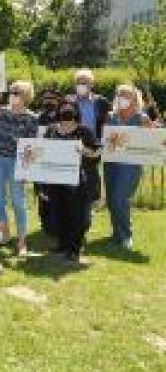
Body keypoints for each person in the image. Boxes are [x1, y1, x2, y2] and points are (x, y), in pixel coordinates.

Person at [44, 101, 100, 263]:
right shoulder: (51, 130)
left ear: (76, 115)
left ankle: (74, 248)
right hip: (55, 181)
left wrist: (85, 151)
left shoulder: (85, 131)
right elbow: (42, 153)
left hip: (79, 182)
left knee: (78, 217)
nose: (67, 118)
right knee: (58, 215)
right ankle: (63, 244)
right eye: (63, 114)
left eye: (70, 115)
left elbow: (96, 154)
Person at [0, 80, 38, 256]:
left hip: (18, 164)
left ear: (25, 96)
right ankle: (4, 234)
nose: (12, 95)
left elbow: (31, 147)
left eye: (16, 92)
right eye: (11, 91)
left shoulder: (32, 118)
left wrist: (27, 171)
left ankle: (22, 241)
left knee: (18, 202)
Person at [104, 85, 153, 250]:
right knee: (112, 200)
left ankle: (126, 236)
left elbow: (153, 141)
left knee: (119, 198)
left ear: (135, 99)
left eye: (126, 95)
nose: (122, 98)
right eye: (119, 95)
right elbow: (106, 139)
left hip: (131, 166)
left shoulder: (142, 118)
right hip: (111, 164)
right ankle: (116, 234)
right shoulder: (111, 116)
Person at [69, 69, 110, 214]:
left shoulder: (101, 102)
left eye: (84, 82)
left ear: (91, 84)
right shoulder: (68, 101)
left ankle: (90, 205)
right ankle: (77, 206)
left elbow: (108, 121)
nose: (81, 85)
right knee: (74, 176)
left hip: (94, 145)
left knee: (91, 174)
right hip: (73, 145)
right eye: (78, 82)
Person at [35, 89, 61, 236]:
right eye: (46, 99)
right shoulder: (37, 118)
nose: (49, 101)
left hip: (57, 163)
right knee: (42, 193)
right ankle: (45, 224)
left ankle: (57, 223)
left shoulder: (63, 116)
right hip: (40, 161)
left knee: (57, 193)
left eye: (52, 98)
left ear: (58, 100)